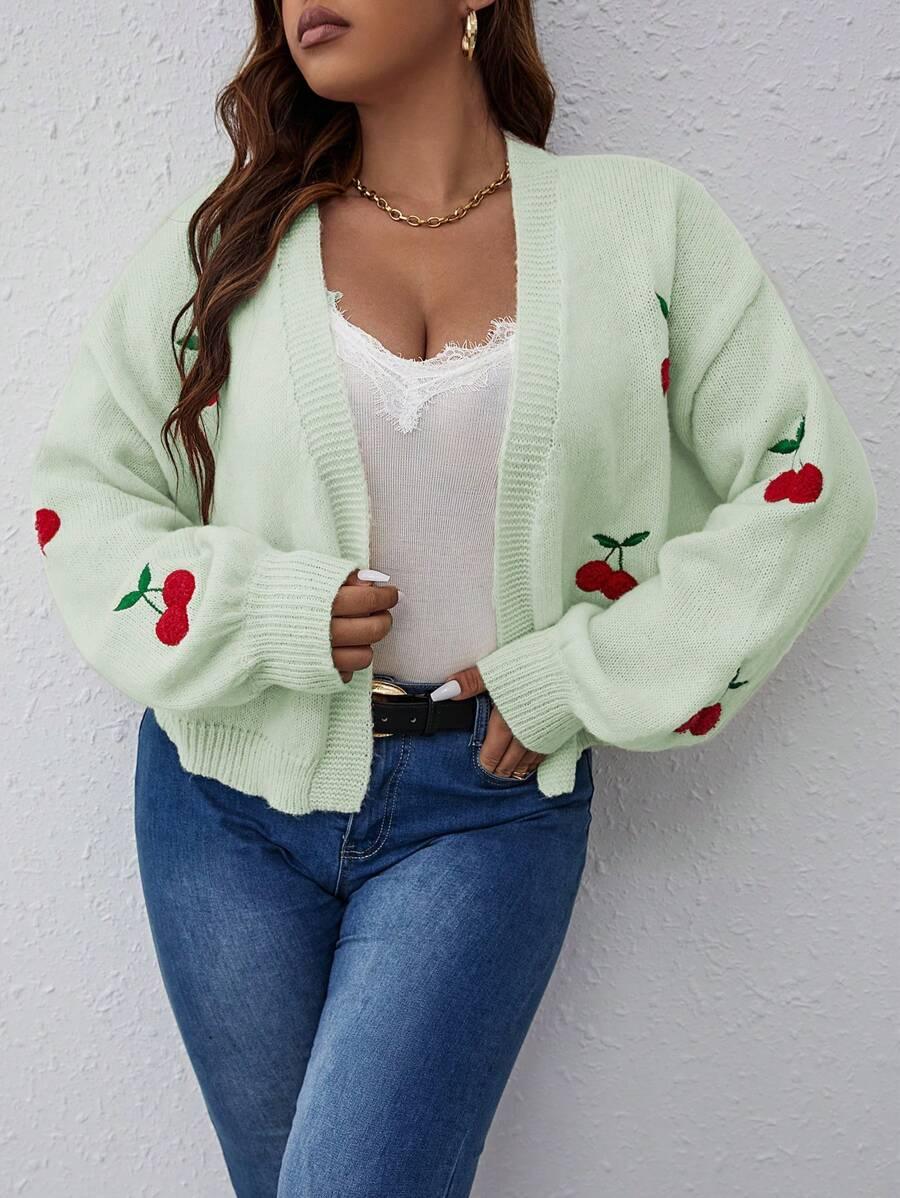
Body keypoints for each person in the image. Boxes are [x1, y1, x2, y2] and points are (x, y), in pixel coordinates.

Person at [29, 2, 877, 1195]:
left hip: (485, 804)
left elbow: (810, 494)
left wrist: (575, 676)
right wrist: (261, 610)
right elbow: (85, 495)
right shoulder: (229, 241)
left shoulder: (644, 228)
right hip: (221, 802)